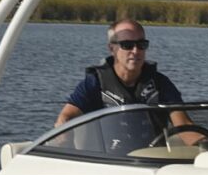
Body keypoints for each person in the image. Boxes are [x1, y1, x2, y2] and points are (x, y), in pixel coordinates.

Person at [54, 19, 200, 144]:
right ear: (112, 48)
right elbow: (66, 117)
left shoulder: (160, 83)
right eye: (127, 45)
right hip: (108, 163)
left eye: (141, 45)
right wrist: (64, 138)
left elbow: (184, 125)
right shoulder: (94, 83)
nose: (136, 51)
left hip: (151, 161)